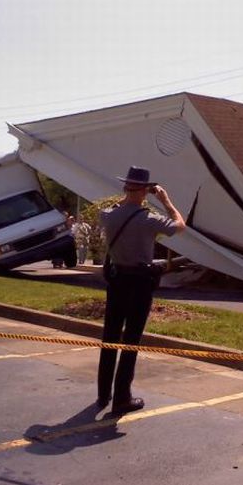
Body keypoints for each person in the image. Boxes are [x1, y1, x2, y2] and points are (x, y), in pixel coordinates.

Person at [97, 166, 185, 415]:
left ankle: (103, 394)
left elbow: (117, 207)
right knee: (131, 340)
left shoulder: (108, 215)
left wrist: (129, 197)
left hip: (116, 281)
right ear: (146, 190)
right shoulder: (149, 219)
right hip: (139, 283)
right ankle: (122, 397)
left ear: (125, 187)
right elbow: (180, 226)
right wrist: (166, 200)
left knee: (110, 337)